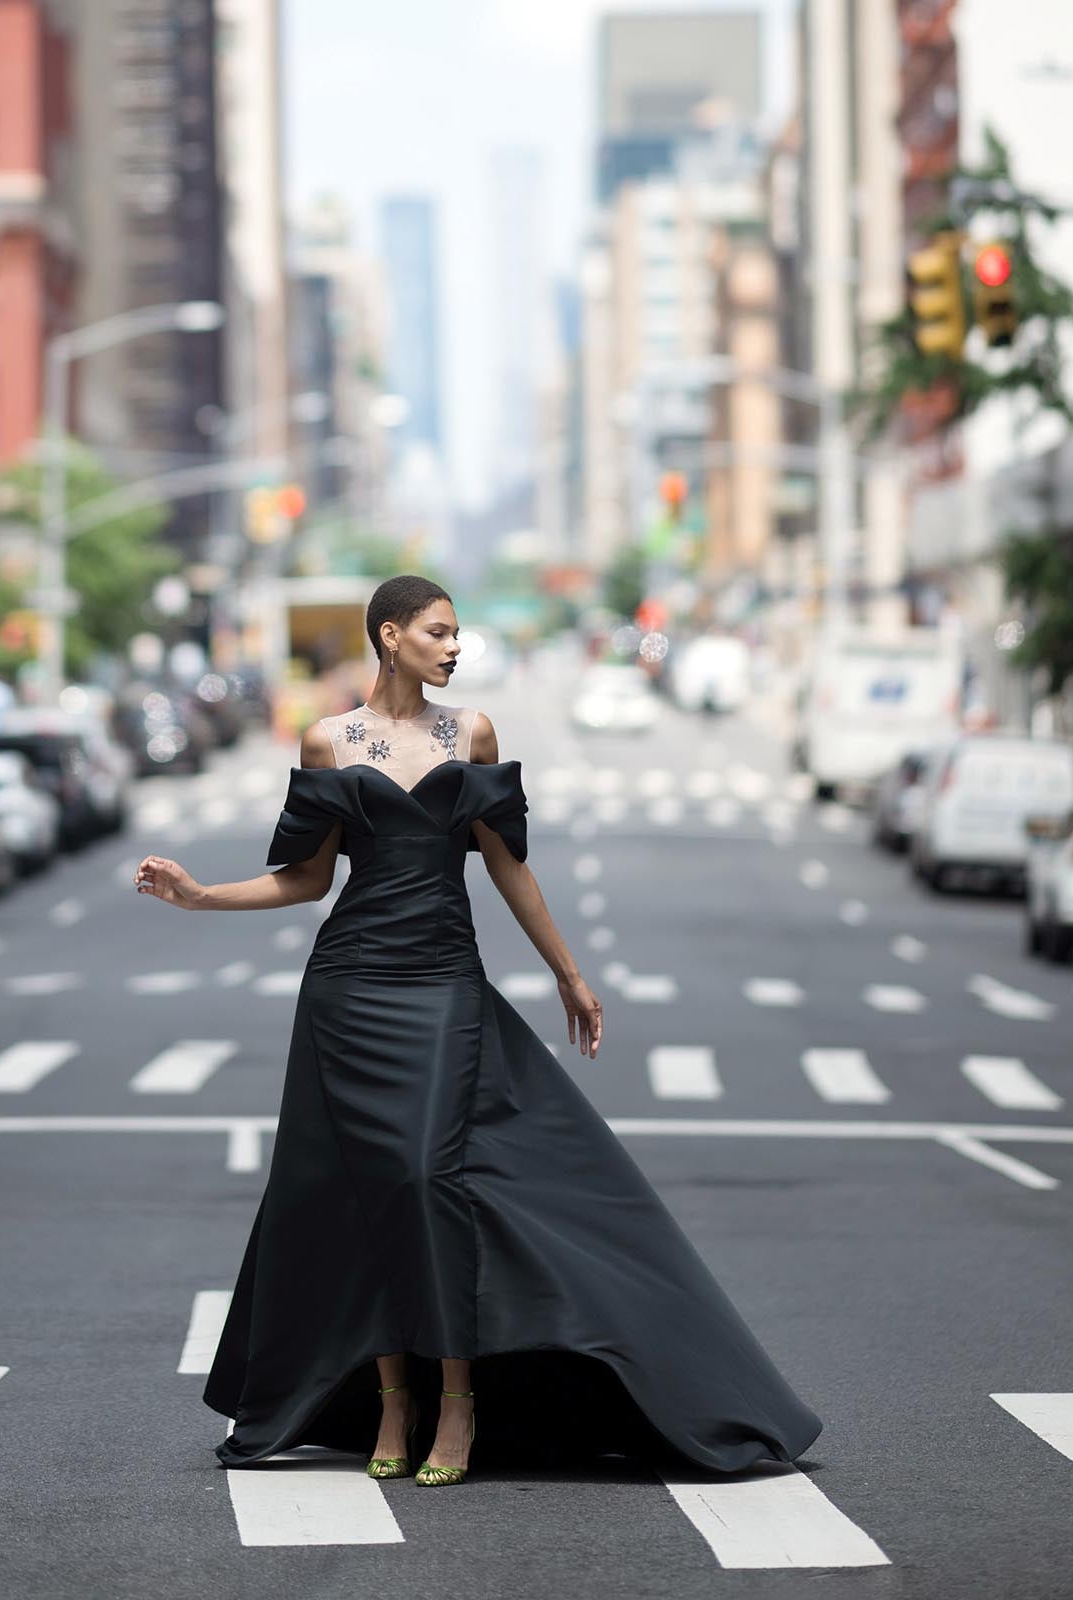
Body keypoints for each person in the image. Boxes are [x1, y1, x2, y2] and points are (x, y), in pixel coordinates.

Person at [132, 574, 821, 1488]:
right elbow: (306, 879)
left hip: (444, 982)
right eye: (439, 632)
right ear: (390, 636)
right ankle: (391, 1398)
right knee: (366, 1188)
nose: (455, 648)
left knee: (428, 1176)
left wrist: (569, 975)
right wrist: (201, 894)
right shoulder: (328, 739)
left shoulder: (474, 734)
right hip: (348, 990)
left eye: (458, 635)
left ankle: (458, 1398)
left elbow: (508, 869)